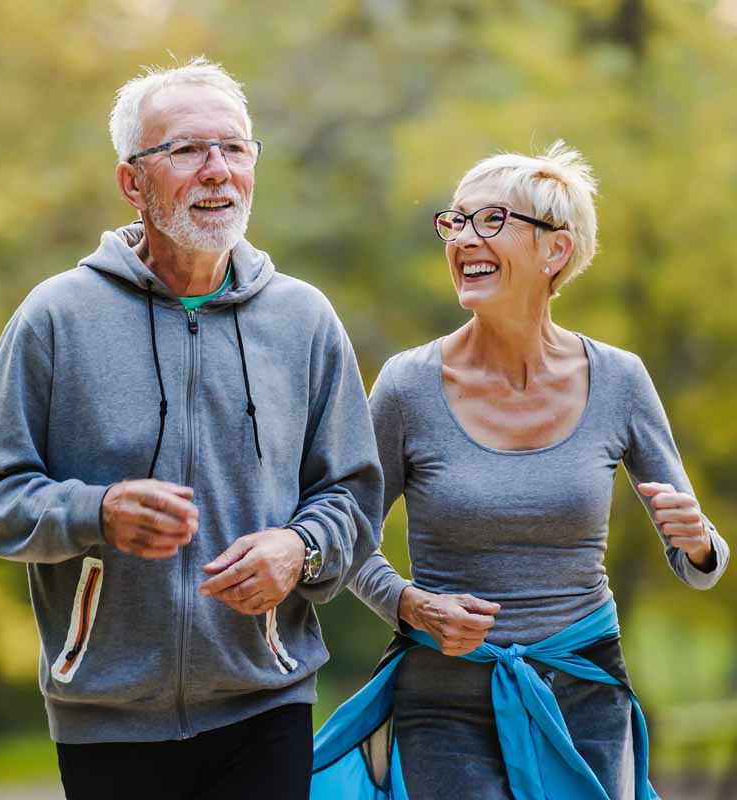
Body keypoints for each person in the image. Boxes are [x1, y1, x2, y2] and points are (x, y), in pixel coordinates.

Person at [0, 57, 382, 800]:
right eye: (186, 150)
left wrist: (300, 549)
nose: (217, 170)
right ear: (131, 182)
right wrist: (96, 512)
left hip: (266, 698)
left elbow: (351, 493)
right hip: (106, 715)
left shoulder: (304, 319)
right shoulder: (56, 317)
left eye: (235, 148)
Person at [311, 142, 729, 799]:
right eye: (456, 221)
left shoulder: (620, 380)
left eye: (492, 221)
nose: (464, 239)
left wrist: (698, 541)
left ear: (555, 251)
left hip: (587, 687)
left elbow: (698, 559)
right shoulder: (407, 386)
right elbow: (343, 535)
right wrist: (409, 603)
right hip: (444, 696)